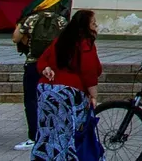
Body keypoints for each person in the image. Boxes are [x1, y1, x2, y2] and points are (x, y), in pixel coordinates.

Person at [32, 9, 102, 160]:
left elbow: (42, 59)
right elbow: (88, 70)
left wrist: (46, 68)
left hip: (47, 90)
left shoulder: (61, 40)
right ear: (86, 26)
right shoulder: (85, 43)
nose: (96, 25)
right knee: (69, 133)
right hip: (69, 93)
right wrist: (94, 95)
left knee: (47, 132)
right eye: (93, 23)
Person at [12, 1, 69, 152]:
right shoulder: (61, 21)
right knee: (52, 101)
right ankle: (53, 135)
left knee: (31, 100)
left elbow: (16, 38)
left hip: (34, 64)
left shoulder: (31, 19)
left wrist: (21, 24)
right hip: (54, 67)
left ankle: (33, 136)